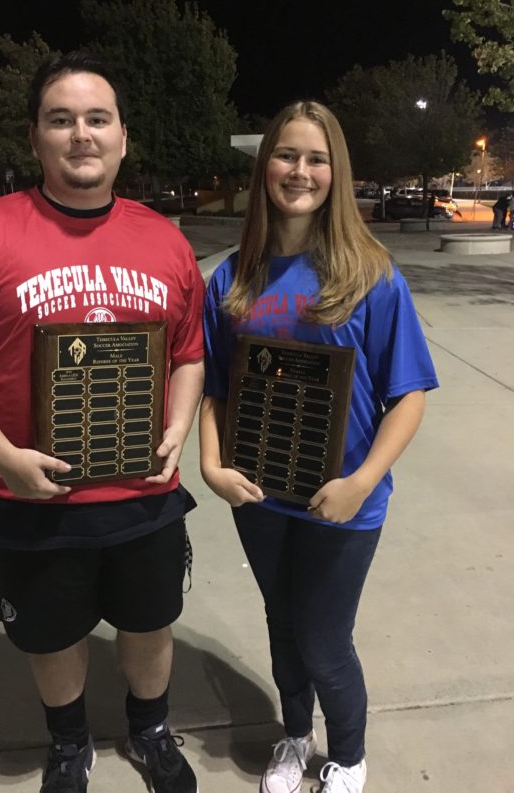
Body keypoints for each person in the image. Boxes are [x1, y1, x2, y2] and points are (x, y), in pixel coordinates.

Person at [0, 51, 205, 793]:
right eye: (60, 119)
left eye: (96, 119)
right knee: (49, 633)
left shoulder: (163, 240)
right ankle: (68, 743)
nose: (81, 135)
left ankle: (151, 727)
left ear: (122, 137)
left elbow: (190, 352)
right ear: (34, 138)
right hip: (28, 497)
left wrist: (179, 425)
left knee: (149, 622)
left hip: (140, 492)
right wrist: (2, 453)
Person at [200, 101, 438, 793]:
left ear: (334, 171)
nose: (298, 171)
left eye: (314, 158)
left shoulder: (370, 274)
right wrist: (211, 465)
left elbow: (410, 395)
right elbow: (215, 390)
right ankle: (295, 736)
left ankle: (349, 755)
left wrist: (361, 481)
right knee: (282, 627)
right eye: (285, 155)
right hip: (258, 493)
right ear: (263, 165)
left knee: (324, 640)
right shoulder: (232, 279)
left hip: (341, 500)